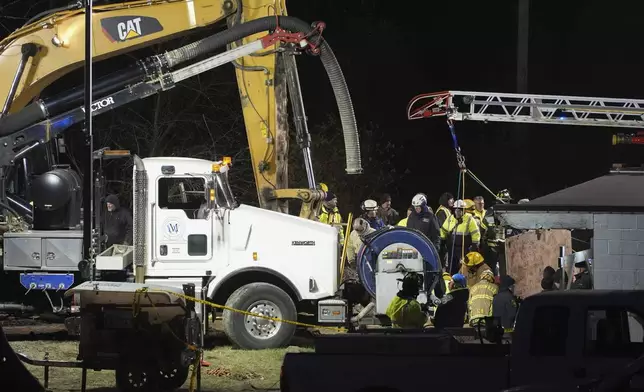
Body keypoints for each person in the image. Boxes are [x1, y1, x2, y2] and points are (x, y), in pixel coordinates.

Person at [439, 199, 480, 275]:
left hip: (465, 249)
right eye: (456, 210)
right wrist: (442, 241)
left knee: (464, 269)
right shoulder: (450, 218)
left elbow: (476, 234)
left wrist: (474, 246)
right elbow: (443, 230)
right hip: (452, 249)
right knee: (451, 268)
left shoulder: (469, 219)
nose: (458, 212)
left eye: (460, 210)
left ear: (464, 210)